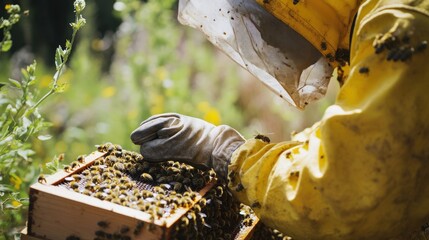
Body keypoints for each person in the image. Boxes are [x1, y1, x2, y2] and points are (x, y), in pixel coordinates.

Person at [130, 0, 429, 239]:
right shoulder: (378, 17)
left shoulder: (402, 27)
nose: (260, 34)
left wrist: (227, 153)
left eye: (257, 14)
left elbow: (347, 193)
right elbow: (359, 140)